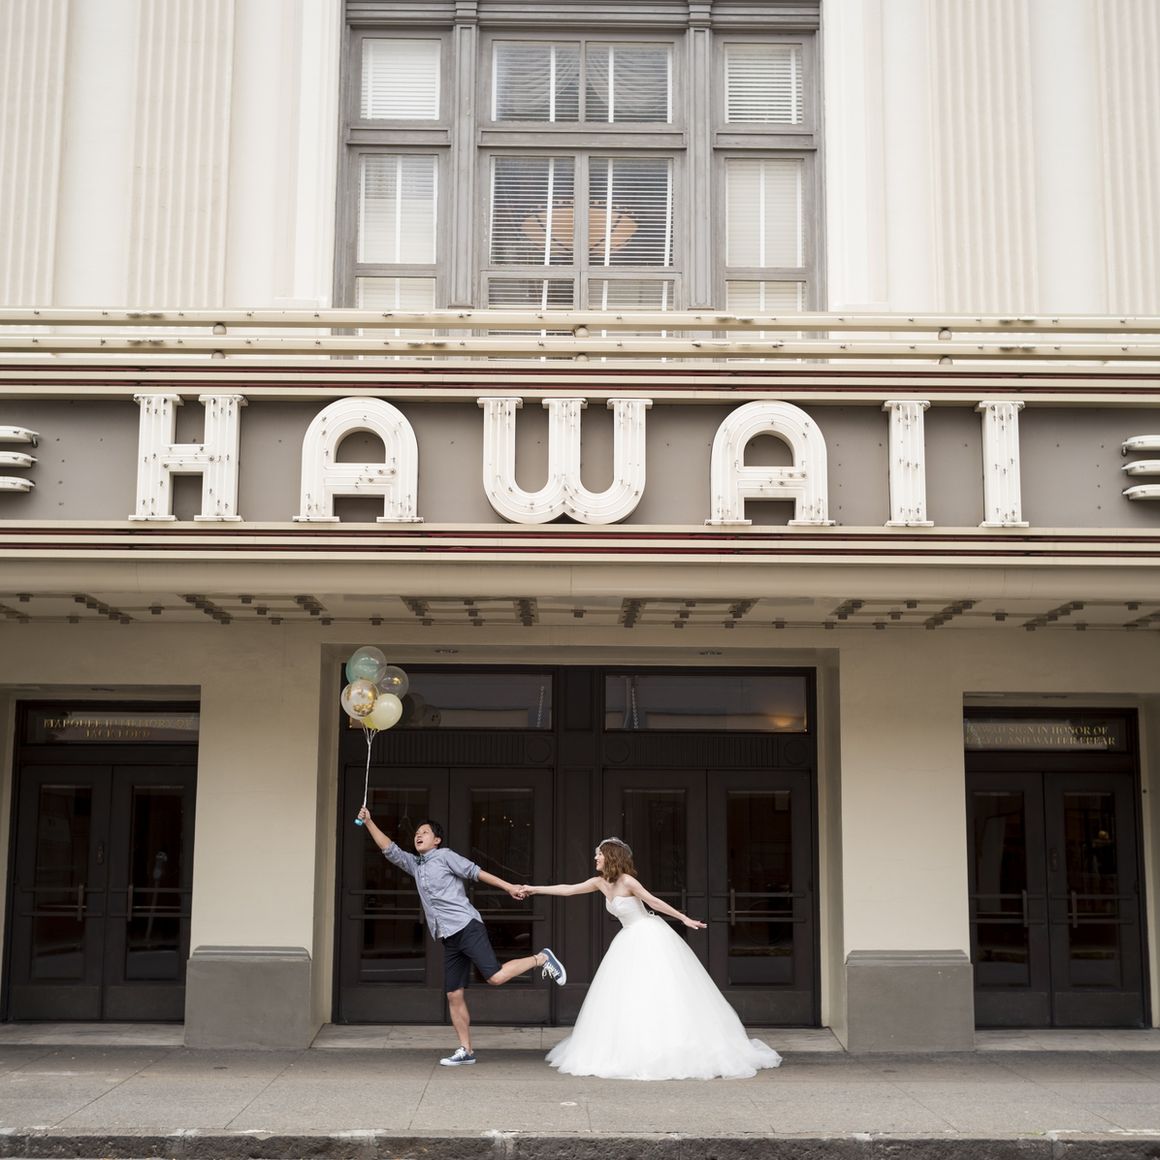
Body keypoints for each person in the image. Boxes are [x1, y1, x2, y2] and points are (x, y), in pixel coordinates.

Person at [521, 837, 782, 1080]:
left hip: (647, 935)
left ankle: (667, 1046)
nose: (596, 858)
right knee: (627, 994)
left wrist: (683, 918)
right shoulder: (600, 882)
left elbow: (654, 902)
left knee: (656, 989)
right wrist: (533, 889)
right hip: (627, 938)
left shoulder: (627, 882)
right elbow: (568, 889)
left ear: (611, 857)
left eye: (599, 854)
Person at [357, 808, 565, 1067]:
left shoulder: (445, 856)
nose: (419, 835)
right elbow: (390, 849)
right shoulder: (415, 865)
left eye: (425, 832)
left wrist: (509, 887)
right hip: (448, 936)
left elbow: (476, 872)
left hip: (467, 927)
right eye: (417, 833)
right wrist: (369, 821)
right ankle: (466, 1050)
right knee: (453, 994)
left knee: (495, 977)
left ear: (437, 840)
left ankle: (541, 958)